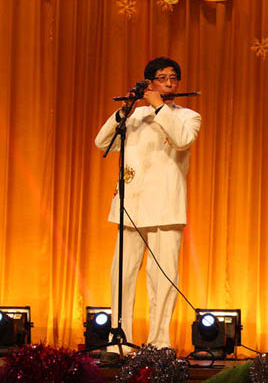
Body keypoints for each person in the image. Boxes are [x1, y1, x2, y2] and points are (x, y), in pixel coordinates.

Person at [95, 57, 201, 354]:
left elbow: (181, 140)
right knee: (122, 275)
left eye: (173, 78)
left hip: (166, 207)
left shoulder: (188, 116)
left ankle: (159, 342)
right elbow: (102, 143)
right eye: (162, 78)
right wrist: (123, 111)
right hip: (131, 205)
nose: (169, 84)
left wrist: (158, 107)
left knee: (162, 277)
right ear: (149, 83)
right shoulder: (134, 116)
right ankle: (119, 339)